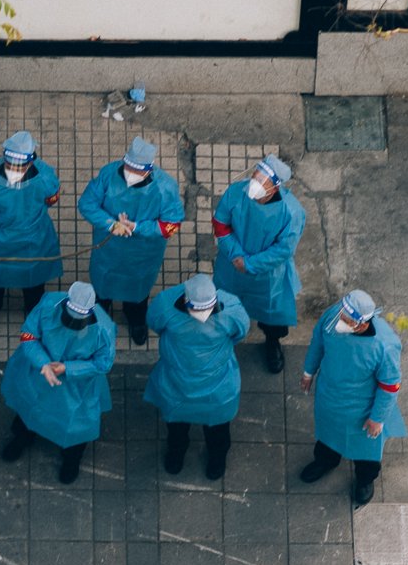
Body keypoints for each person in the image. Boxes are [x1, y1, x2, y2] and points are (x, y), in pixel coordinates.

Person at [0, 280, 115, 484]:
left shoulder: (104, 329)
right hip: (38, 376)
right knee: (28, 411)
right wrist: (42, 363)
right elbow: (28, 335)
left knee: (76, 427)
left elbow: (103, 363)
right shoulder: (48, 304)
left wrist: (68, 368)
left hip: (76, 388)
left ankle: (71, 459)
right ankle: (22, 438)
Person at [300, 289, 408, 507]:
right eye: (341, 315)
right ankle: (325, 461)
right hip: (330, 397)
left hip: (362, 407)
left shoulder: (385, 345)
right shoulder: (334, 316)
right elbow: (317, 342)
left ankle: (365, 479)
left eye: (346, 320)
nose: (339, 321)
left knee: (366, 451)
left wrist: (377, 418)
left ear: (361, 324)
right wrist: (308, 372)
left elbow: (389, 385)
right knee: (328, 435)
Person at [76, 136, 184, 347]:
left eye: (137, 170)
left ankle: (136, 320)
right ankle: (99, 318)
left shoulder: (166, 187)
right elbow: (87, 203)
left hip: (143, 255)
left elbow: (171, 225)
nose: (130, 173)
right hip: (108, 250)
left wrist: (136, 227)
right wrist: (111, 224)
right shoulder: (108, 174)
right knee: (101, 291)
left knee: (137, 295)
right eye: (128, 167)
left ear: (149, 170)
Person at [144, 272, 250, 479]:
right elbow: (239, 333)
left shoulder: (166, 303)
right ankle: (203, 457)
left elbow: (155, 324)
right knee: (205, 427)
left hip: (177, 384)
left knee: (184, 424)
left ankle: (190, 455)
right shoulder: (230, 307)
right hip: (215, 386)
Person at [212, 153, 306, 374]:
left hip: (268, 275)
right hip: (232, 267)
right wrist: (236, 255)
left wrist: (250, 264)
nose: (254, 184)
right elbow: (221, 224)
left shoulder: (291, 212)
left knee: (273, 314)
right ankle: (223, 336)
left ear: (275, 187)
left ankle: (272, 342)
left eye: (261, 181)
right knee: (224, 304)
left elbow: (284, 249)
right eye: (255, 176)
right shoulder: (236, 192)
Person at [0, 131, 62, 333]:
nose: (14, 169)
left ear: (31, 161)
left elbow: (51, 198)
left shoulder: (45, 177)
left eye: (19, 166)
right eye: (10, 164)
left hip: (32, 238)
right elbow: (50, 201)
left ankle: (33, 311)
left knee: (34, 283)